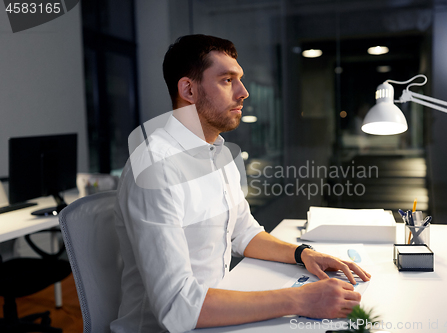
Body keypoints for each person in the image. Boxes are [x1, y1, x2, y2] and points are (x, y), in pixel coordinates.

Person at [111, 34, 370, 333]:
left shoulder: (218, 153)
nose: (244, 92)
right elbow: (178, 307)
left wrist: (304, 254)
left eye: (240, 80)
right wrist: (299, 300)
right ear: (188, 90)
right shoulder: (155, 168)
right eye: (227, 80)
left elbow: (243, 232)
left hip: (217, 317)